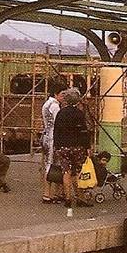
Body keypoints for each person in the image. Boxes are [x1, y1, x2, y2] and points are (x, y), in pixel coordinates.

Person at [53, 88, 91, 217]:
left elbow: (56, 130)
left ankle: (68, 198)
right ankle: (80, 197)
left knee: (66, 172)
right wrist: (87, 146)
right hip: (77, 146)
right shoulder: (79, 114)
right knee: (77, 172)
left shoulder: (61, 113)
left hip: (63, 146)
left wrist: (57, 145)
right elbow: (84, 131)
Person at [41, 81, 66, 203]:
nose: (63, 97)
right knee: (52, 165)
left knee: (48, 164)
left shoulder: (46, 104)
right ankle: (49, 193)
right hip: (53, 137)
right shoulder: (55, 106)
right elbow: (59, 122)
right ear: (56, 94)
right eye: (62, 94)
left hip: (46, 135)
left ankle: (50, 193)